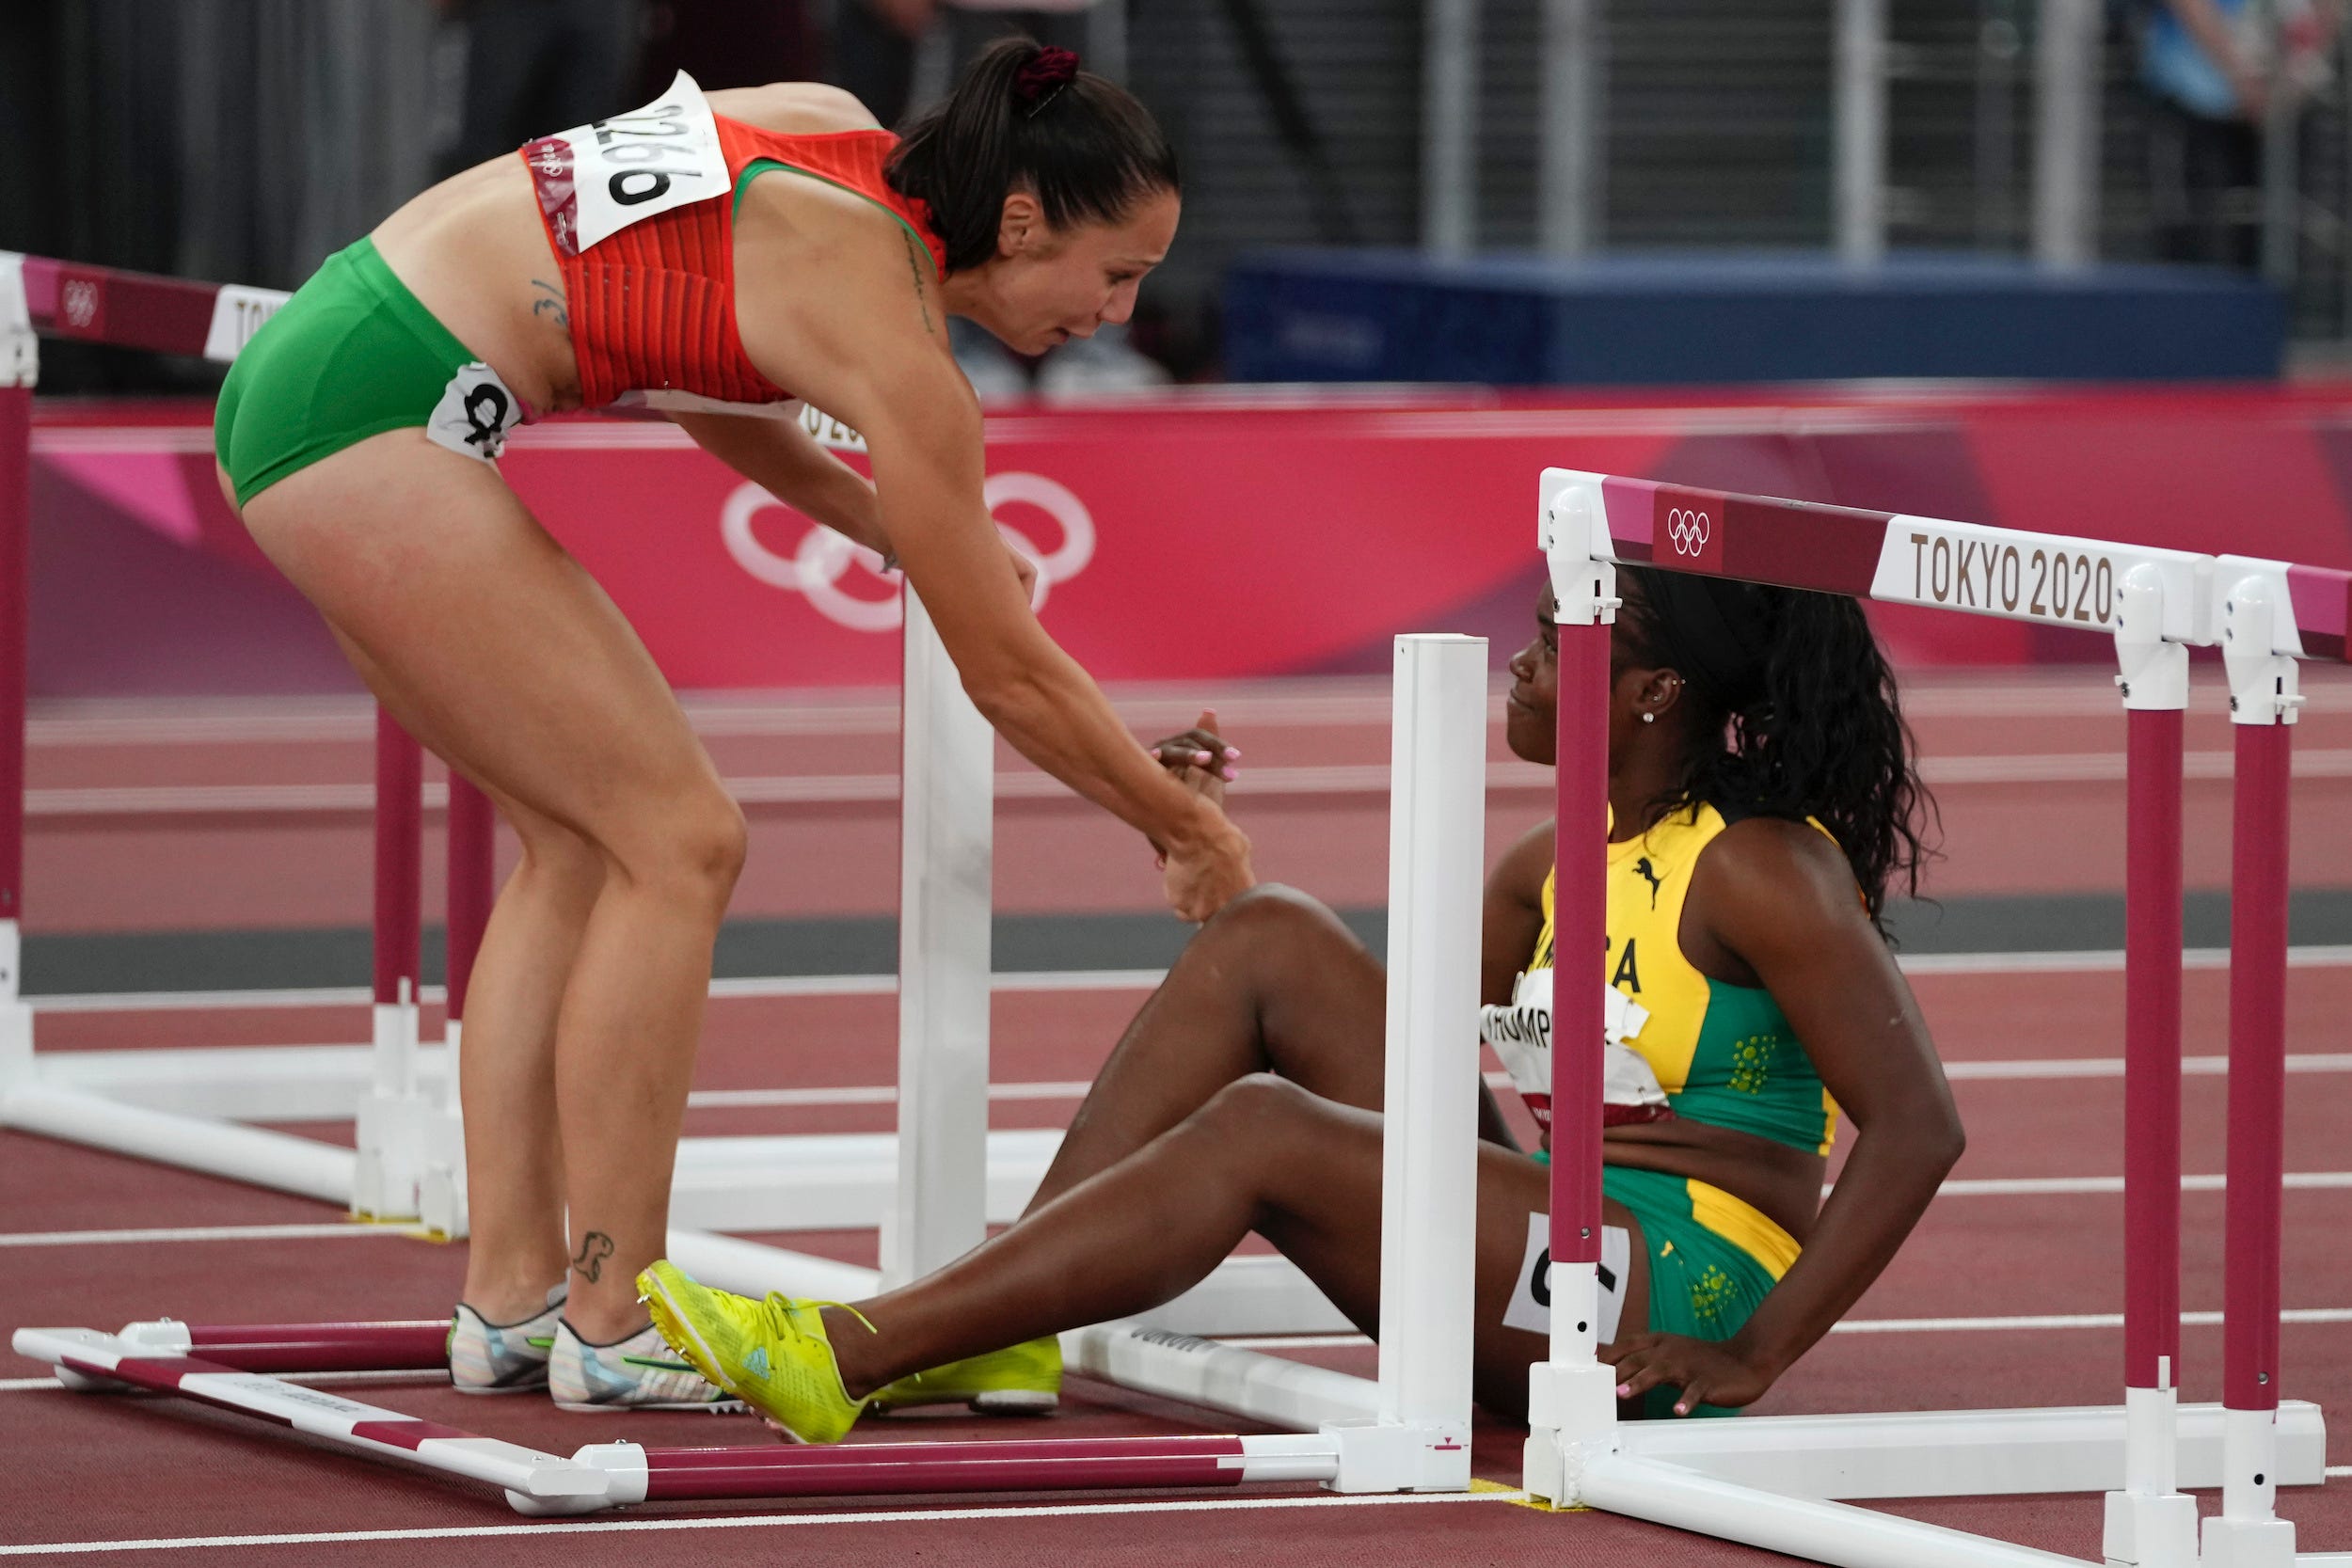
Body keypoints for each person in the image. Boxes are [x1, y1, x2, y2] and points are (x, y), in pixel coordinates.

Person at [212, 39, 1251, 1411]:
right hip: (380, 411)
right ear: (1019, 222)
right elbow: (1004, 674)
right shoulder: (891, 327)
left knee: (581, 849)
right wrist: (1179, 826)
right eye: (1117, 273)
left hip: (328, 360)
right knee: (682, 840)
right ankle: (615, 1312)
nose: (1120, 314)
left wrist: (879, 520)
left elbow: (698, 362)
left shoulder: (825, 132)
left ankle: (515, 1300)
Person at [638, 566, 1969, 1436]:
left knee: (1265, 1131)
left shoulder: (1763, 867)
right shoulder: (1550, 866)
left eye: (1562, 638)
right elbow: (1400, 1054)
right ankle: (983, 1333)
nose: (1522, 659)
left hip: (1672, 1291)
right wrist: (1191, 831)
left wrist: (1760, 1355)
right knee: (1272, 941)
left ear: (1656, 690)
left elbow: (1918, 1126)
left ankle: (859, 1349)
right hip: (1562, 1225)